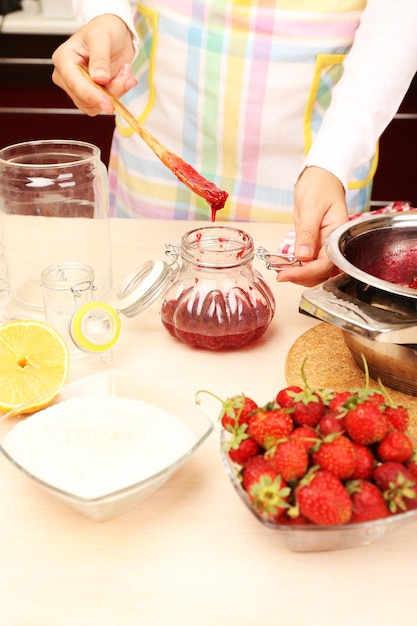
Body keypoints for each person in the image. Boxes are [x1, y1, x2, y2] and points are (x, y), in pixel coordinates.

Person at [52, 0, 417, 286]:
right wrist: (106, 15)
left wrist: (333, 160)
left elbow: (399, 19)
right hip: (161, 140)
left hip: (315, 150)